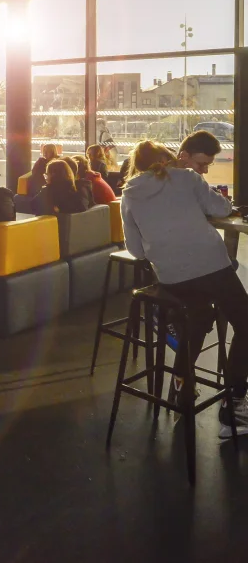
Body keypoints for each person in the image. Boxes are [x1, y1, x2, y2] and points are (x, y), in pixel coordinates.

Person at [121, 140, 248, 437]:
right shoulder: (188, 178)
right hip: (211, 267)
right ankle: (234, 407)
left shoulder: (129, 195)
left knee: (200, 317)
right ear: (170, 160)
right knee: (245, 322)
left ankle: (182, 387)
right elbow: (222, 207)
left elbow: (137, 251)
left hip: (172, 278)